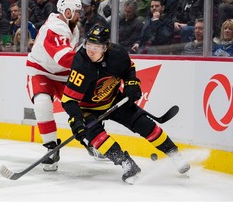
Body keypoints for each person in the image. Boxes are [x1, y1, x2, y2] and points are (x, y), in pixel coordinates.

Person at [61, 24, 191, 184]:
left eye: (96, 47)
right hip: (87, 108)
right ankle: (126, 163)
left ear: (105, 47)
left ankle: (174, 154)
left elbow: (129, 68)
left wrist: (131, 83)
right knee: (95, 135)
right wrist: (76, 120)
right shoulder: (81, 64)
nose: (91, 50)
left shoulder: (118, 54)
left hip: (114, 99)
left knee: (143, 124)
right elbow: (69, 99)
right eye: (89, 45)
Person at [26, 0, 82, 172]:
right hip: (40, 71)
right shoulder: (55, 27)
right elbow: (65, 58)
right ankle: (51, 148)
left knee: (84, 106)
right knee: (42, 103)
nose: (79, 15)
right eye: (76, 12)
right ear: (67, 12)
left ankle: (92, 140)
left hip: (63, 74)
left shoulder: (73, 27)